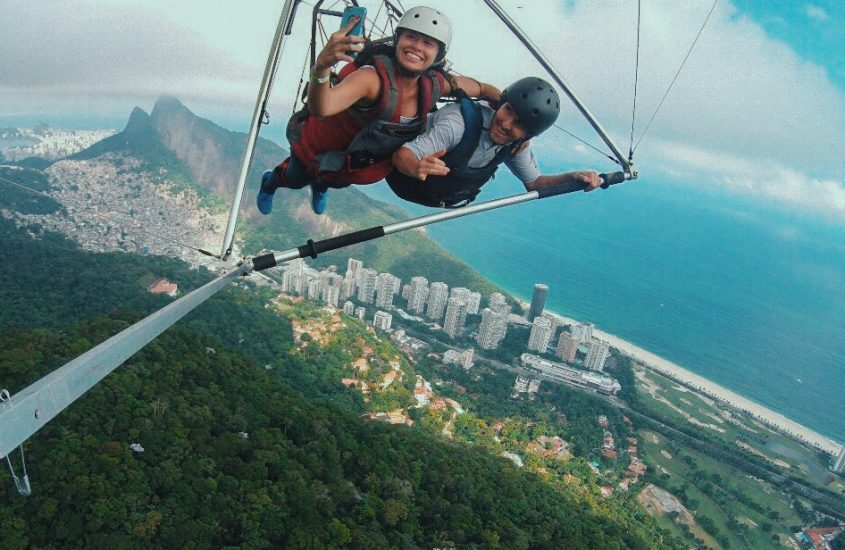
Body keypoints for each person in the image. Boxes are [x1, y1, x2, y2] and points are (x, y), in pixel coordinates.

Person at [257, 5, 500, 215]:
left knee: (335, 180)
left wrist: (510, 114)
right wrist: (321, 67)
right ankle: (270, 182)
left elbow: (480, 88)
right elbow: (323, 107)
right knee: (295, 179)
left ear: (438, 55)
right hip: (317, 148)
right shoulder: (371, 80)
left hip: (351, 162)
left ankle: (322, 184)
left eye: (427, 43)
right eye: (410, 37)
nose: (416, 46)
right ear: (398, 39)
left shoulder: (433, 84)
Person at [388, 76, 602, 208]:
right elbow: (402, 156)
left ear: (528, 134)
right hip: (406, 182)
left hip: (439, 197)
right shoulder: (458, 124)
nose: (506, 123)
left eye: (519, 123)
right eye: (507, 110)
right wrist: (416, 167)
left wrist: (574, 177)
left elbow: (535, 184)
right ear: (501, 103)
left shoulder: (516, 145)